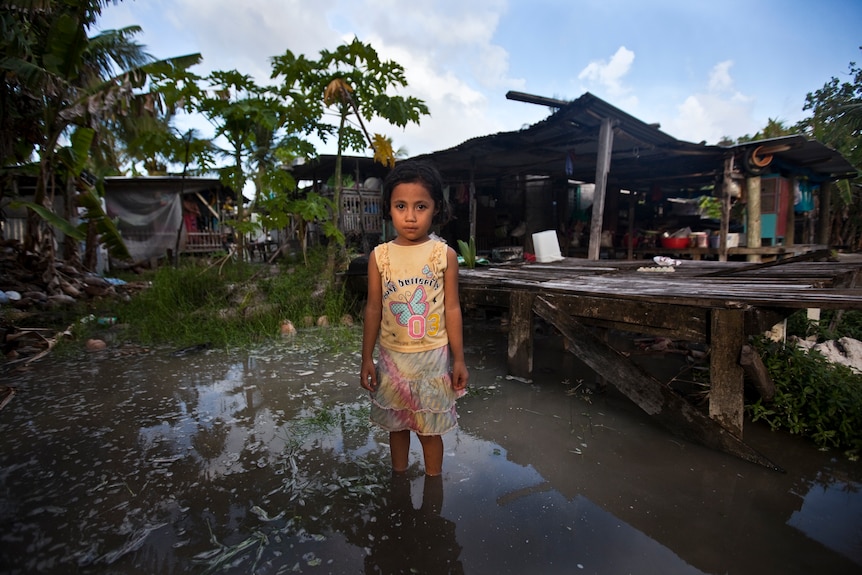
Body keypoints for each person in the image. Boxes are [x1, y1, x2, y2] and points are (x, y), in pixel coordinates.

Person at [360, 160, 469, 477]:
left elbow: (452, 309)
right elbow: (373, 309)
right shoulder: (379, 256)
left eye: (420, 206)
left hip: (432, 359)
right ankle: (400, 482)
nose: (410, 216)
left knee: (429, 428)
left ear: (436, 208)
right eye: (400, 206)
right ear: (389, 208)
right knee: (397, 426)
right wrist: (366, 357)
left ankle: (434, 487)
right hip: (392, 357)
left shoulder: (443, 255)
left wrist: (459, 359)